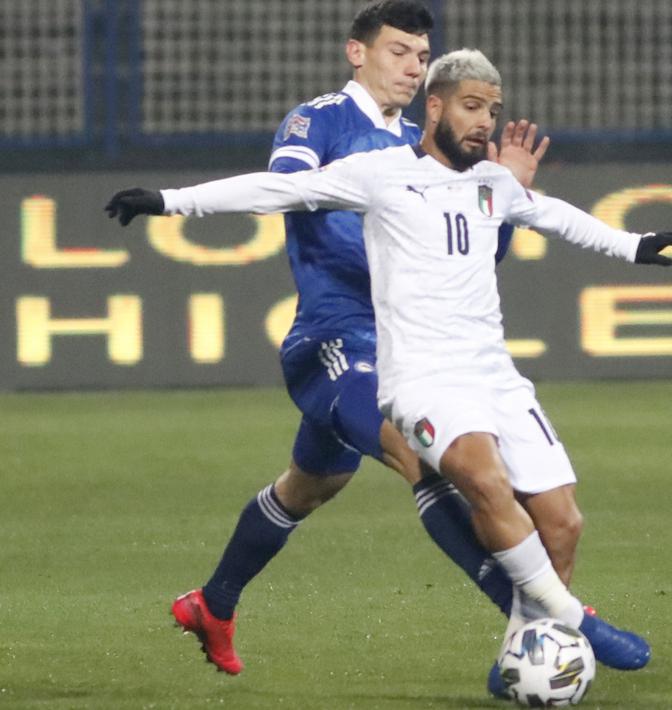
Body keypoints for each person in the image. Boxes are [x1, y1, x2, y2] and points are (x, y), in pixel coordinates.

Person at [106, 47, 672, 678]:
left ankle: (519, 658)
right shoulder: (378, 172)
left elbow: (553, 217)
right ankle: (576, 622)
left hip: (493, 373)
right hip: (418, 378)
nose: (485, 122)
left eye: (493, 112)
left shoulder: (494, 182)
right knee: (474, 477)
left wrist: (634, 244)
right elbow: (282, 188)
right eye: (472, 107)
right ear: (434, 108)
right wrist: (170, 200)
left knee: (560, 520)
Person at [146, 0, 545, 677]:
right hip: (333, 339)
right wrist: (173, 199)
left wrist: (503, 195)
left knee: (308, 486)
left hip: (400, 348)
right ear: (356, 53)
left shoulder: (423, 148)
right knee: (425, 457)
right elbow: (288, 188)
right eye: (397, 52)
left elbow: (473, 255)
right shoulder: (319, 121)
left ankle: (212, 603)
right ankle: (542, 618)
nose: (412, 67)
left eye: (421, 56)